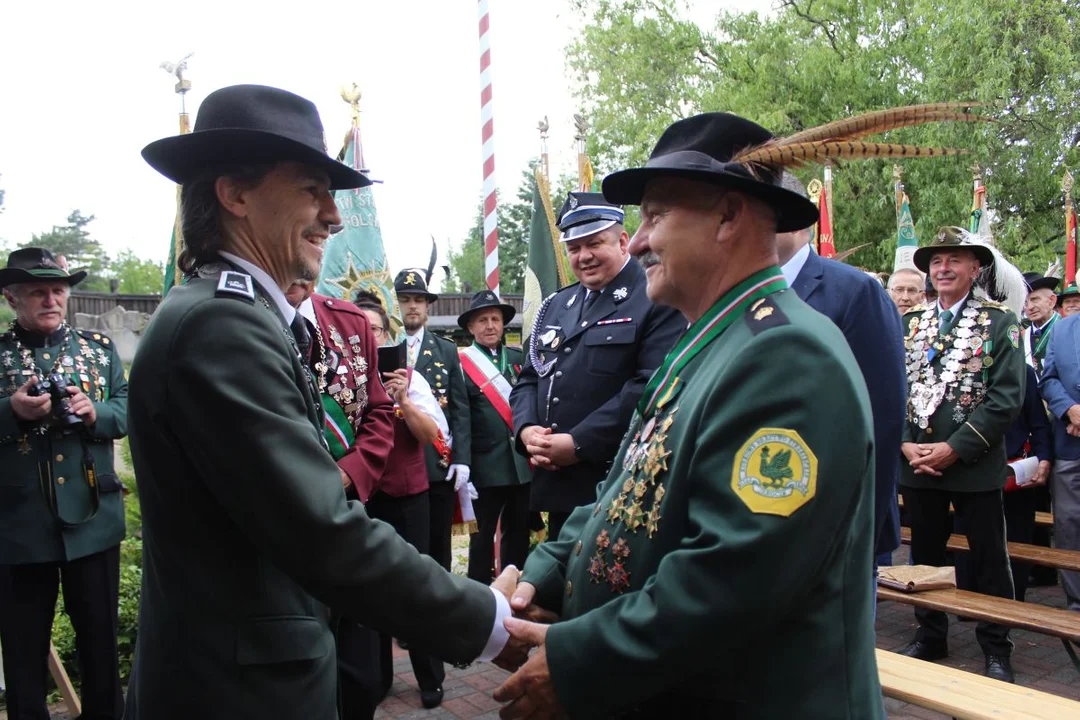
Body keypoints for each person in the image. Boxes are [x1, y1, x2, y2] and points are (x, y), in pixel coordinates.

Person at [127, 84, 518, 720]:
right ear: (235, 193)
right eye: (313, 189)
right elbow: (320, 530)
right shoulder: (222, 326)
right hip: (240, 694)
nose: (334, 217)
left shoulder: (234, 314)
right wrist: (486, 618)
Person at [495, 112, 883, 717]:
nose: (637, 240)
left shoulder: (786, 354)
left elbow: (735, 577)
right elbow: (620, 491)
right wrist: (539, 579)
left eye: (654, 216)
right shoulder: (704, 342)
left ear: (728, 216)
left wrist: (581, 659)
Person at [509, 192, 684, 541]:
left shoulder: (655, 296)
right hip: (560, 485)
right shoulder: (558, 305)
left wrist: (577, 443)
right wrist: (527, 430)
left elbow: (649, 387)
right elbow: (529, 377)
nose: (583, 256)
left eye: (594, 243)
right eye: (573, 248)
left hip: (622, 480)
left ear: (622, 241)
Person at [0, 248, 128, 720]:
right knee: (22, 648)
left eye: (57, 290)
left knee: (100, 642)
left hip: (92, 520)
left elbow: (128, 406)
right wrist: (11, 411)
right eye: (37, 292)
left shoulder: (99, 349)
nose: (51, 300)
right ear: (12, 298)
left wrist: (97, 413)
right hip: (17, 526)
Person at [898, 226, 1024, 683]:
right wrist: (903, 442)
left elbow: (1006, 398)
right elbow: (894, 386)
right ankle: (930, 635)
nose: (944, 268)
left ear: (975, 268)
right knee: (925, 559)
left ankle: (997, 647)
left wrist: (955, 448)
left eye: (954, 260)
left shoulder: (1000, 322)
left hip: (973, 465)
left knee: (989, 559)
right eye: (936, 262)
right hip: (917, 462)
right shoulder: (911, 323)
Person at [777, 174, 906, 570]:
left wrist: (858, 523)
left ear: (799, 221)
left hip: (838, 520)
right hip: (770, 510)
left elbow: (881, 418)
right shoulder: (743, 293)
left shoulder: (852, 291)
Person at [285, 282, 401, 718]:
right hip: (281, 528)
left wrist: (346, 475)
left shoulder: (349, 323)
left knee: (361, 679)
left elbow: (377, 412)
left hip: (347, 511)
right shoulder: (237, 316)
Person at [395, 269, 471, 579]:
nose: (412, 306)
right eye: (404, 300)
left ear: (428, 307)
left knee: (439, 548)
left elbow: (460, 409)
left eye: (418, 300)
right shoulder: (382, 344)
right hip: (396, 464)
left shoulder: (447, 350)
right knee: (402, 548)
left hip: (436, 464)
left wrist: (463, 460)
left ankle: (441, 616)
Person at [955, 364, 1050, 601]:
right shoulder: (959, 368)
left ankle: (1012, 601)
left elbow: (1038, 422)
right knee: (967, 538)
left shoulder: (1022, 372)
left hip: (1013, 470)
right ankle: (969, 600)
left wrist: (1045, 458)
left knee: (1017, 538)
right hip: (969, 468)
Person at [456, 290, 532, 582]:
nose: (490, 326)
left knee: (519, 531)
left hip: (521, 465)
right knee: (481, 537)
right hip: (484, 466)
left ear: (503, 324)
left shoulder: (518, 358)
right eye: (482, 320)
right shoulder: (462, 364)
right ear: (471, 327)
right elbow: (460, 419)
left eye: (495, 319)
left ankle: (516, 590)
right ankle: (479, 596)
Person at [1038, 311, 1080, 611]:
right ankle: (1076, 600)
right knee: (1068, 524)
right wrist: (1069, 409)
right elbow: (1049, 378)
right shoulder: (1064, 328)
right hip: (1069, 444)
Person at [1021, 272, 1060, 377]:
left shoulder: (1070, 331)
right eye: (1025, 302)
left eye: (1035, 300)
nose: (1029, 307)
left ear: (1052, 301)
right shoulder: (1022, 336)